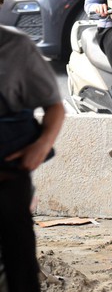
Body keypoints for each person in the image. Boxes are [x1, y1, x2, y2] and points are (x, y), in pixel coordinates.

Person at [0, 19, 65, 292]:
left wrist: (40, 147)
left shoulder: (15, 46)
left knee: (19, 266)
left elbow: (55, 107)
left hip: (7, 176)